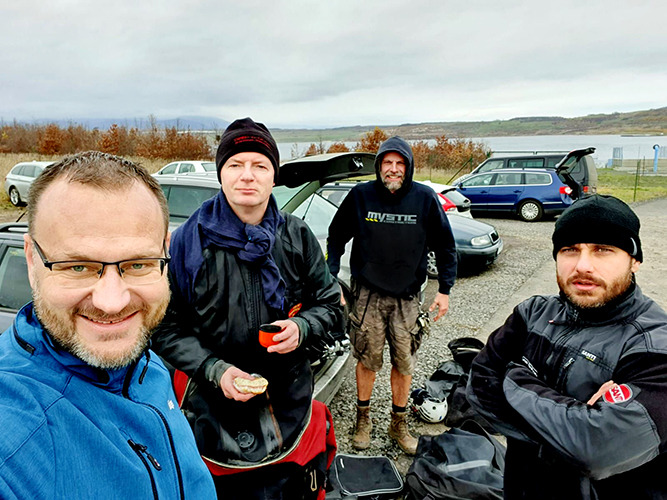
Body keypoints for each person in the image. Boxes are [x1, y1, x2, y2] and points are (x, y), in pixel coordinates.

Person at [0, 151, 216, 499]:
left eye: (138, 264)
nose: (112, 303)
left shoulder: (146, 363)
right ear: (31, 259)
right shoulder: (12, 435)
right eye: (78, 267)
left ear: (164, 252)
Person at [152, 118, 341, 499]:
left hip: (289, 404)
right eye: (235, 165)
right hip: (209, 410)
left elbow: (332, 308)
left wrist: (302, 328)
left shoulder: (297, 236)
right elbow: (163, 329)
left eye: (260, 165)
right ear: (221, 173)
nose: (247, 176)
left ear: (274, 177)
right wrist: (215, 369)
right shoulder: (188, 241)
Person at [466, 194, 667, 499]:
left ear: (634, 260)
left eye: (603, 249)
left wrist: (513, 375)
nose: (583, 265)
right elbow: (479, 387)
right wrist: (573, 425)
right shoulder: (532, 313)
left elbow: (598, 449)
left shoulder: (654, 345)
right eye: (570, 249)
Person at [326, 136, 457, 455]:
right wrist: (330, 277)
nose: (394, 169)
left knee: (404, 362)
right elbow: (335, 237)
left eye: (400, 163)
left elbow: (446, 246)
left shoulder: (425, 198)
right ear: (379, 166)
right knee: (367, 360)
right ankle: (363, 419)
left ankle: (398, 425)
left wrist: (445, 290)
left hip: (408, 298)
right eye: (388, 163)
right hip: (367, 294)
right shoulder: (360, 196)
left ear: (408, 167)